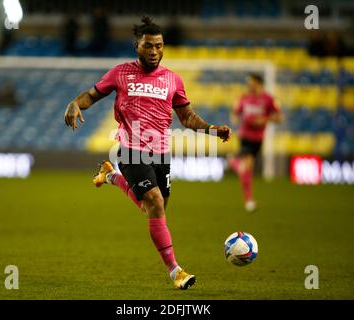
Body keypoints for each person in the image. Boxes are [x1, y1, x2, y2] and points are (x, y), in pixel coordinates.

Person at [63, 16, 231, 290]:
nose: (154, 51)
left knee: (154, 208)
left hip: (161, 153)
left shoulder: (173, 80)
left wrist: (212, 129)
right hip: (131, 150)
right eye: (148, 46)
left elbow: (187, 117)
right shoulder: (120, 73)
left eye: (159, 46)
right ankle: (175, 270)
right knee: (153, 201)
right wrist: (75, 103)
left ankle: (110, 177)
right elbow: (91, 95)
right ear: (137, 46)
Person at [228, 73, 283, 212]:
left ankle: (233, 163)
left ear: (258, 83)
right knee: (247, 166)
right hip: (245, 137)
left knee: (246, 169)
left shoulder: (269, 99)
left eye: (250, 82)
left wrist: (264, 120)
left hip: (258, 139)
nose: (248, 84)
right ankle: (249, 201)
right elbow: (234, 114)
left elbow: (279, 117)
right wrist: (237, 118)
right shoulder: (244, 98)